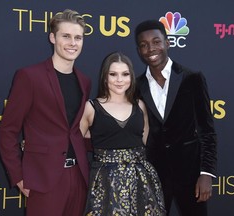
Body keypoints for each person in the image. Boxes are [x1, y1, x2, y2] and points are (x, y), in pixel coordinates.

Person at [0, 9, 91, 216]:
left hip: (78, 176)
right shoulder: (29, 77)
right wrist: (19, 176)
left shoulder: (84, 81)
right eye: (66, 36)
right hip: (43, 179)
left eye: (78, 37)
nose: (72, 43)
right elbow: (8, 130)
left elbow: (74, 131)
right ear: (52, 37)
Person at [134, 20, 217, 216]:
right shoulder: (136, 86)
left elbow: (207, 130)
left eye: (156, 42)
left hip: (191, 176)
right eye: (144, 45)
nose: (150, 49)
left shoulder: (192, 78)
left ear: (167, 43)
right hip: (153, 176)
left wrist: (206, 174)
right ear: (138, 50)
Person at [80, 52, 166, 215]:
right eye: (113, 74)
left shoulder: (140, 106)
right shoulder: (91, 107)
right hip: (105, 183)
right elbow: (75, 142)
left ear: (131, 77)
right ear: (105, 77)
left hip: (140, 182)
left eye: (125, 74)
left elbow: (144, 140)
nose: (119, 80)